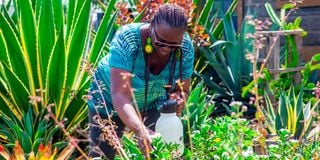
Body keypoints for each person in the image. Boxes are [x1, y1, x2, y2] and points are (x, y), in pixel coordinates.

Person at [87, 3, 194, 159]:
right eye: (161, 42)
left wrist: (178, 100)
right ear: (151, 26)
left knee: (159, 151)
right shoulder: (127, 39)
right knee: (102, 155)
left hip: (153, 101)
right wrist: (140, 130)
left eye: (173, 45)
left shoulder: (185, 48)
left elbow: (183, 90)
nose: (166, 48)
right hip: (108, 101)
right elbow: (120, 95)